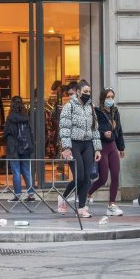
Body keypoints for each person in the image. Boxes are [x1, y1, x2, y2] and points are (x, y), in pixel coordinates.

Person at [56, 80, 102, 218]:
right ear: (78, 92)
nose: (87, 94)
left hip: (87, 144)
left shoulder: (91, 107)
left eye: (89, 92)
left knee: (87, 178)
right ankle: (63, 198)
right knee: (80, 176)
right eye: (85, 92)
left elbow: (95, 129)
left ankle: (82, 208)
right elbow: (64, 127)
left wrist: (97, 149)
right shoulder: (69, 106)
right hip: (74, 144)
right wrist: (66, 147)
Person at [89, 88, 125, 216]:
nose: (110, 100)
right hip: (102, 146)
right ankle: (87, 193)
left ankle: (111, 205)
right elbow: (93, 130)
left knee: (115, 175)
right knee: (103, 178)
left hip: (113, 146)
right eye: (108, 97)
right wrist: (104, 133)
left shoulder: (115, 112)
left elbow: (119, 131)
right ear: (103, 98)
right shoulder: (97, 112)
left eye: (112, 97)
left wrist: (121, 148)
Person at [2, 96, 35, 202]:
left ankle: (17, 194)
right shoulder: (26, 117)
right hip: (25, 147)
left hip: (14, 148)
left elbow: (7, 132)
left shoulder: (10, 117)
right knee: (26, 170)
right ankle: (31, 194)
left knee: (16, 171)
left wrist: (3, 139)